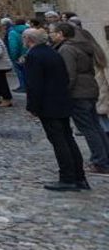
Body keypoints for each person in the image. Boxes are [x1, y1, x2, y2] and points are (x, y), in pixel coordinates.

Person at [24, 27, 89, 191]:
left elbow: (34, 84)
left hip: (48, 105)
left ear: (28, 40)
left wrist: (33, 106)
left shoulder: (34, 56)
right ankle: (79, 177)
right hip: (61, 102)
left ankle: (68, 178)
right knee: (68, 139)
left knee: (59, 141)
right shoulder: (53, 52)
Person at [51, 22, 109, 176]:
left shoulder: (68, 49)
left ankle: (100, 161)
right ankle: (104, 158)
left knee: (89, 128)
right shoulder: (83, 48)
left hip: (79, 93)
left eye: (54, 32)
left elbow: (69, 75)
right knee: (95, 126)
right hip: (89, 90)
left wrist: (63, 94)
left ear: (61, 33)